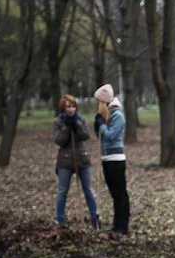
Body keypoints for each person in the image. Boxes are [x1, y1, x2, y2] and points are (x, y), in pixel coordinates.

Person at [54, 94, 101, 230]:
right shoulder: (58, 122)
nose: (71, 109)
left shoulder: (81, 119)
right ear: (63, 108)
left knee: (88, 190)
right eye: (68, 106)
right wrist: (67, 127)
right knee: (63, 191)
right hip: (65, 161)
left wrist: (76, 124)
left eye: (73, 106)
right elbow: (59, 141)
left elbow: (85, 135)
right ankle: (60, 220)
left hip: (82, 159)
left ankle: (95, 219)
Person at [94, 86, 130, 236]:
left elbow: (110, 135)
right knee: (114, 194)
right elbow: (101, 138)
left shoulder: (117, 116)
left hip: (116, 159)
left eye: (98, 102)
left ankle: (123, 226)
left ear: (103, 101)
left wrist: (102, 125)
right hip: (107, 158)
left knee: (120, 194)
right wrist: (98, 127)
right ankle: (116, 225)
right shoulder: (107, 115)